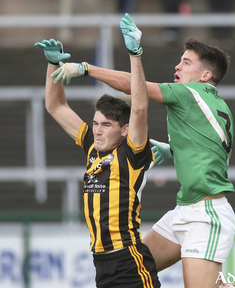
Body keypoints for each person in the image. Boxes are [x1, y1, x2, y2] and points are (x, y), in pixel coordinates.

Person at [50, 15, 235, 288]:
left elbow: (135, 90)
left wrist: (86, 69)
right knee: (135, 268)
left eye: (186, 62)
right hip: (184, 211)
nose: (178, 65)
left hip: (206, 216)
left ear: (205, 76)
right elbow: (210, 150)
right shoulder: (214, 105)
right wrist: (173, 149)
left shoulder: (190, 93)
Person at [34, 16, 161, 288]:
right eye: (95, 124)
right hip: (101, 263)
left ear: (125, 130)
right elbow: (55, 106)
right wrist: (53, 65)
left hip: (129, 260)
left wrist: (135, 55)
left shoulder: (133, 153)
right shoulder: (93, 146)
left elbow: (139, 107)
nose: (98, 130)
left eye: (106, 125)